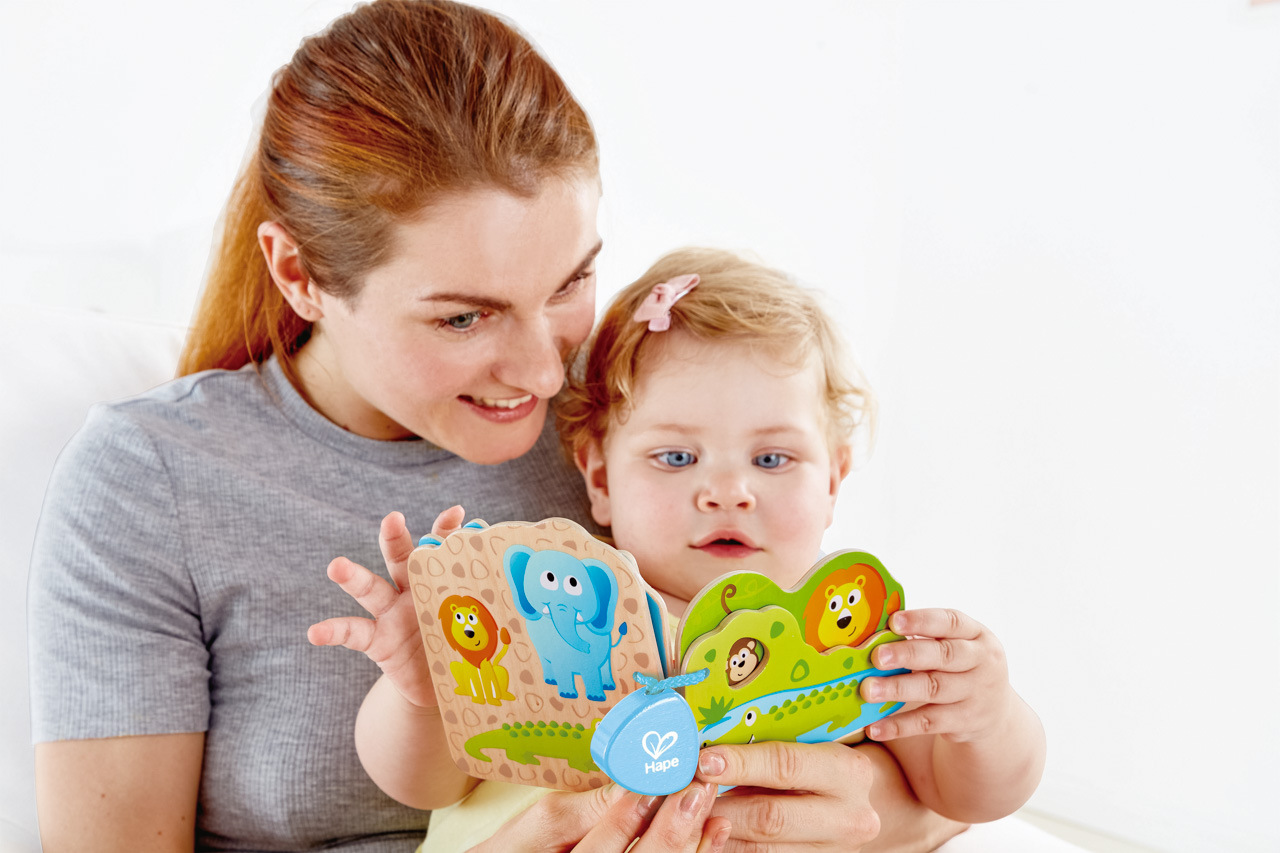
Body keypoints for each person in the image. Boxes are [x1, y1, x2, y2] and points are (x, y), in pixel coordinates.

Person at [26, 2, 964, 851]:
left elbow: (889, 754)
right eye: (464, 318)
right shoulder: (151, 480)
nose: (548, 373)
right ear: (300, 274)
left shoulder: (637, 424)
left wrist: (852, 803)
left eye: (569, 283)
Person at [316, 248, 1044, 852]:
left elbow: (969, 797)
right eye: (676, 457)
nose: (727, 493)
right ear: (601, 479)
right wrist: (424, 691)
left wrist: (985, 717)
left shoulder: (848, 635)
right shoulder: (547, 607)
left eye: (772, 459)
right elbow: (420, 784)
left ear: (833, 481)